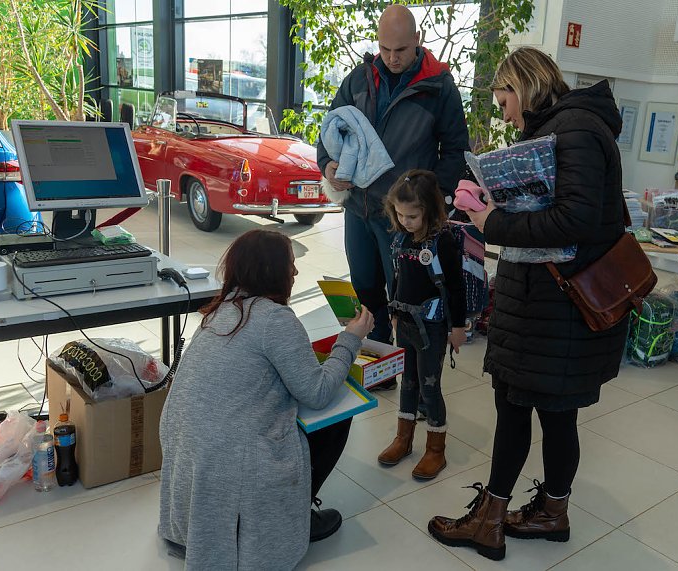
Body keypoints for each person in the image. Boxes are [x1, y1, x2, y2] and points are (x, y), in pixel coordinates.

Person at [427, 47, 628, 561]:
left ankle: (491, 521)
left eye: (505, 101)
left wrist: (493, 223)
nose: (505, 113)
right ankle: (549, 513)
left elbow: (576, 220)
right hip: (545, 306)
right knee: (552, 415)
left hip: (556, 308)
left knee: (520, 412)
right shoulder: (565, 128)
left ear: (525, 85)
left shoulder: (576, 131)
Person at [158, 229, 374, 570]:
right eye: (290, 263)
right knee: (336, 411)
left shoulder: (220, 309)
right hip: (233, 458)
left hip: (189, 446)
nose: (295, 272)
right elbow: (316, 392)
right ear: (271, 270)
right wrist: (350, 339)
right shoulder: (274, 319)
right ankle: (302, 511)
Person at [315, 4, 469, 390]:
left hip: (404, 217)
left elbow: (455, 151)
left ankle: (413, 377)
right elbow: (330, 128)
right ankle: (378, 365)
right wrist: (327, 164)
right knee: (366, 289)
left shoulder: (439, 86)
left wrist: (432, 200)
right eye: (384, 49)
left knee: (405, 298)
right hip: (359, 208)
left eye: (400, 50)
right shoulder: (359, 78)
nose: (392, 58)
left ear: (417, 41)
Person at [377, 170, 467, 480]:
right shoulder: (401, 237)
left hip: (432, 328)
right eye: (400, 214)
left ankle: (435, 450)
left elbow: (455, 287)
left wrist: (458, 326)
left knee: (430, 388)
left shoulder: (443, 242)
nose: (405, 221)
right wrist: (393, 310)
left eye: (412, 215)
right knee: (408, 384)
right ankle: (403, 439)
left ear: (429, 210)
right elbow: (399, 277)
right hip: (405, 322)